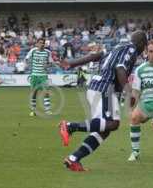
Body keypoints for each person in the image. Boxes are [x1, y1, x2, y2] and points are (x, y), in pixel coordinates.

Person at [58, 30, 147, 172]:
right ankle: (70, 126)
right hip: (106, 88)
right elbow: (120, 68)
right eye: (145, 46)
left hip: (97, 87)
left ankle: (74, 158)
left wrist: (72, 63)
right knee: (112, 124)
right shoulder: (131, 48)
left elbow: (98, 55)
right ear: (142, 43)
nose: (144, 50)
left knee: (105, 130)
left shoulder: (118, 46)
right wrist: (129, 92)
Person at [25, 38, 54, 116]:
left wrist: (47, 65)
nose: (41, 44)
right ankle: (33, 111)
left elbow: (51, 63)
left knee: (46, 92)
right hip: (34, 75)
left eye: (43, 43)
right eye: (40, 43)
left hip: (43, 76)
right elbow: (27, 59)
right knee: (34, 93)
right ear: (37, 44)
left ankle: (47, 110)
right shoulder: (33, 51)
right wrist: (30, 65)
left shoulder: (48, 52)